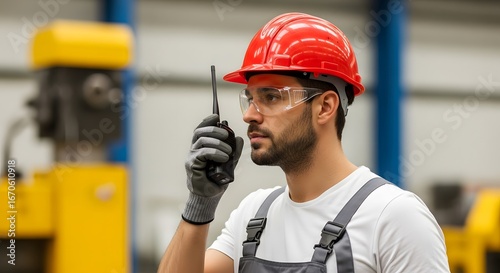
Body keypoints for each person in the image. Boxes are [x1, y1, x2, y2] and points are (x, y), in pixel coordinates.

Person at [157, 12, 450, 273]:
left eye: (270, 97)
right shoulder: (254, 215)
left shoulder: (393, 218)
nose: (248, 115)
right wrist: (201, 204)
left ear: (324, 107)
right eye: (250, 99)